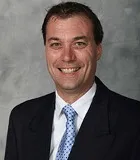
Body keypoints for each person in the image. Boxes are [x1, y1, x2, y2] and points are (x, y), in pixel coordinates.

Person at [4, 1, 140, 160]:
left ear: (98, 50)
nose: (67, 57)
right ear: (46, 51)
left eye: (79, 43)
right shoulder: (22, 118)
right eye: (56, 44)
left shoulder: (134, 121)